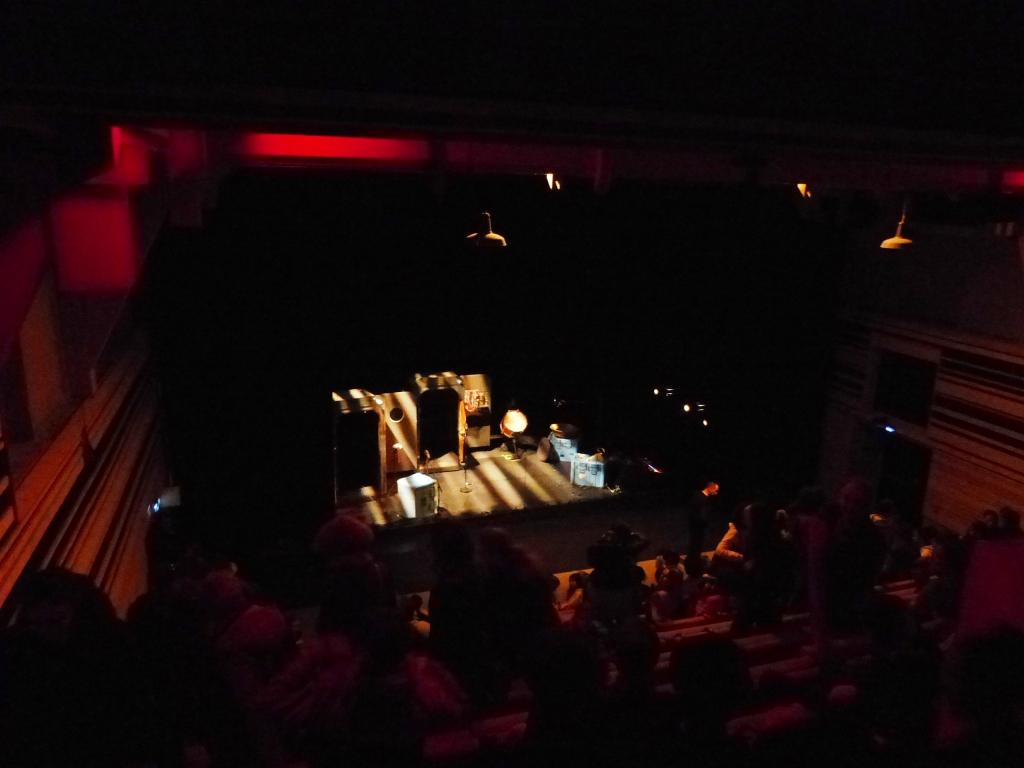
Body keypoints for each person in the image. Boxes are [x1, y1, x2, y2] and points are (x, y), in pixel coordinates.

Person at [686, 481, 719, 568]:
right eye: (715, 490)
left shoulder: (700, 496)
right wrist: (703, 523)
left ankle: (693, 560)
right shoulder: (701, 498)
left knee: (695, 542)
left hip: (696, 524)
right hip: (697, 525)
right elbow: (699, 513)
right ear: (710, 488)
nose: (716, 493)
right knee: (696, 543)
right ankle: (693, 561)